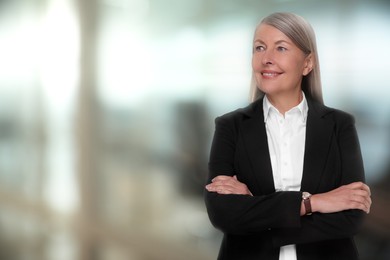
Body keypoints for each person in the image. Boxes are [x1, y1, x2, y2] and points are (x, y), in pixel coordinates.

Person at [204, 12, 372, 260]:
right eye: (259, 48)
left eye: (281, 48)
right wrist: (312, 203)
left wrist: (258, 214)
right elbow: (222, 214)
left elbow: (352, 217)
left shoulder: (340, 125)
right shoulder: (231, 126)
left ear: (307, 63)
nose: (266, 58)